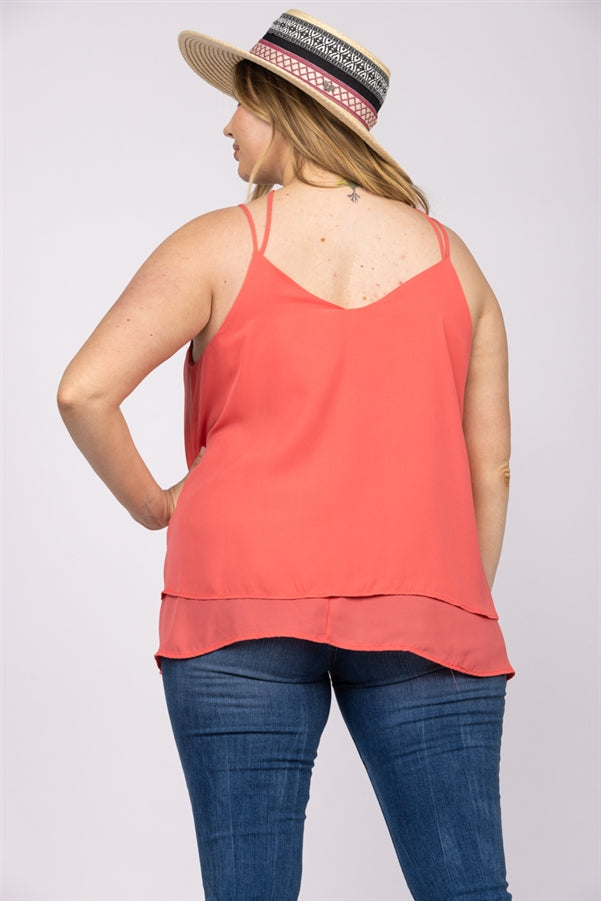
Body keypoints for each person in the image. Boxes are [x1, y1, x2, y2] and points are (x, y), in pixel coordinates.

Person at [57, 9, 514, 901]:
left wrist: (156, 505)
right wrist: (451, 599)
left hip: (235, 600)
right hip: (424, 603)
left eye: (239, 102)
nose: (226, 125)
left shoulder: (217, 241)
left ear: (282, 109)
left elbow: (83, 391)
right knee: (467, 891)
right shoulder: (456, 263)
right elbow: (489, 465)